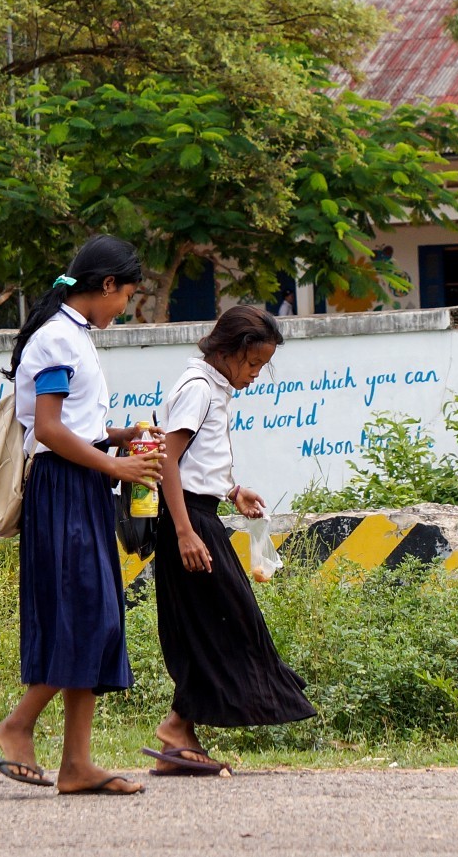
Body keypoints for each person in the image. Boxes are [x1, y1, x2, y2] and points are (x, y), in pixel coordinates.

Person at [0, 235, 163, 795]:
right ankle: (17, 726)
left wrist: (123, 437)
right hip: (63, 489)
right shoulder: (58, 339)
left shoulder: (75, 335)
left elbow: (75, 426)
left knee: (96, 617)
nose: (125, 310)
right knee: (88, 616)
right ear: (106, 284)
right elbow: (48, 429)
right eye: (126, 297)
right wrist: (118, 470)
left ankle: (76, 765)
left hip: (80, 484)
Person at [144, 304, 315, 776]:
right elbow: (167, 464)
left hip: (201, 515)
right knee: (230, 624)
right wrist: (183, 533)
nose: (255, 375)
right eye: (252, 363)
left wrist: (233, 490)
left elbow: (199, 462)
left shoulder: (210, 389)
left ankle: (181, 733)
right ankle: (177, 727)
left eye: (261, 366)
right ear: (228, 351)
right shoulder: (198, 390)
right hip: (190, 523)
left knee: (216, 625)